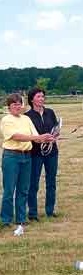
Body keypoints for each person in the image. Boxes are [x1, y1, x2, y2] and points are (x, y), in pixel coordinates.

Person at [0, 93, 54, 235]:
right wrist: (36, 137)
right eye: (14, 104)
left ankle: (21, 219)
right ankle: (5, 220)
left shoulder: (26, 119)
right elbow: (16, 136)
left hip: (27, 157)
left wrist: (46, 138)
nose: (17, 107)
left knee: (23, 190)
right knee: (9, 190)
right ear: (9, 106)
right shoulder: (6, 120)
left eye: (19, 104)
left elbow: (35, 137)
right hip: (11, 156)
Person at [25, 88, 60, 221]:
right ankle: (33, 213)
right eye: (39, 96)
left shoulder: (50, 112)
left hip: (52, 152)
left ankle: (50, 211)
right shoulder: (27, 116)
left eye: (43, 96)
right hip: (35, 153)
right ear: (32, 99)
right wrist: (40, 138)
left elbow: (55, 128)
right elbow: (29, 135)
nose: (42, 99)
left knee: (51, 182)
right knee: (33, 183)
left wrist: (55, 135)